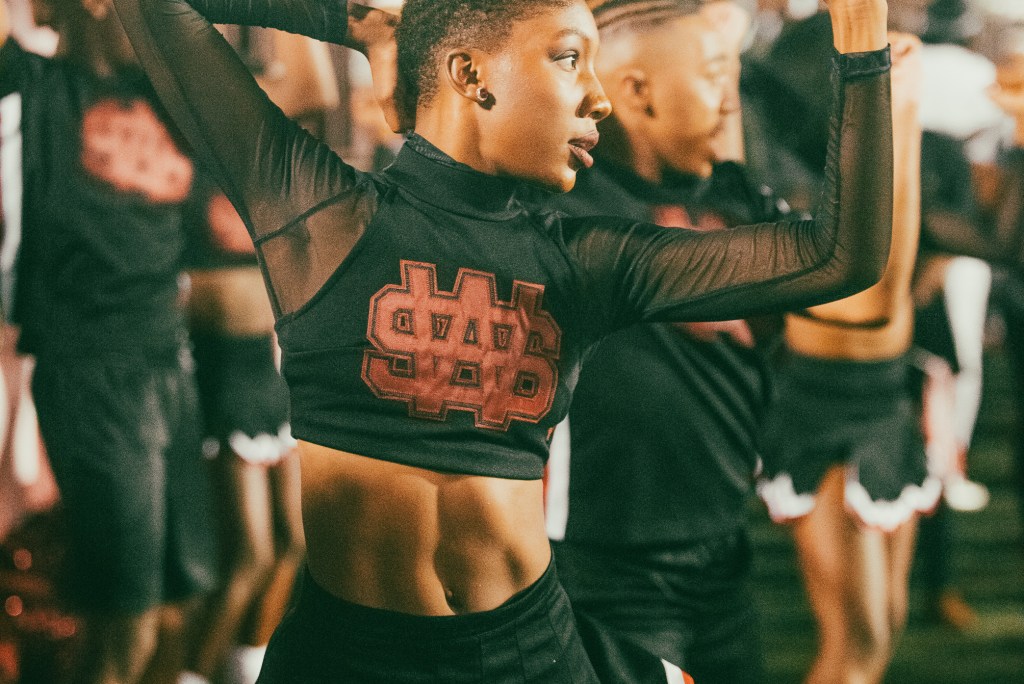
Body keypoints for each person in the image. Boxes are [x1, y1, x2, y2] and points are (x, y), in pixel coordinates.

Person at [113, 0, 894, 680]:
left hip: (532, 651)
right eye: (567, 59)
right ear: (469, 73)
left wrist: (864, 48)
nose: (598, 98)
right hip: (346, 657)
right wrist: (363, 24)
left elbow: (838, 254)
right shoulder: (321, 218)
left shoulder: (586, 263)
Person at [540, 2, 779, 682]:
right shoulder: (560, 208)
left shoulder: (737, 199)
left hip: (724, 550)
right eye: (712, 77)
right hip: (606, 561)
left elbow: (848, 260)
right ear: (637, 91)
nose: (730, 104)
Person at [0, 0, 218, 682]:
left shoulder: (165, 91)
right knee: (126, 616)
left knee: (179, 599)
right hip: (89, 367)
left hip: (168, 360)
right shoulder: (37, 84)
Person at [755, 19, 940, 684]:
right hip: (826, 422)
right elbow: (880, 294)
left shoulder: (867, 159)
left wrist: (904, 109)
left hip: (885, 406)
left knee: (883, 628)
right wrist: (902, 103)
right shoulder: (806, 208)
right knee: (855, 646)